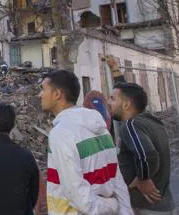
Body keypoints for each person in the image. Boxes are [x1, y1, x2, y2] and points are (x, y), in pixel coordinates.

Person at [38, 69, 132, 215]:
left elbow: (76, 193)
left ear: (57, 94)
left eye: (43, 89)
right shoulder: (101, 129)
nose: (39, 95)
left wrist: (112, 206)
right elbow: (116, 178)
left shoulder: (61, 133)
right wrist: (125, 210)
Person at [109, 82, 175, 214]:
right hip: (162, 205)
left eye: (113, 98)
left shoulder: (131, 125)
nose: (108, 102)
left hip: (146, 207)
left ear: (126, 104)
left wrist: (143, 179)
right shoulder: (151, 122)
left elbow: (148, 156)